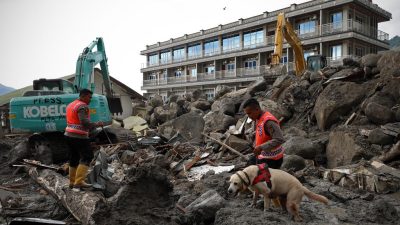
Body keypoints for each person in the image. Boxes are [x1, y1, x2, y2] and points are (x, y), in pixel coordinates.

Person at [64, 89, 103, 190]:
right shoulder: (82, 106)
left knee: (74, 158)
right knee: (87, 156)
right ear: (83, 96)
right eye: (89, 97)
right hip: (79, 136)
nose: (90, 99)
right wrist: (96, 124)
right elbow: (84, 122)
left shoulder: (71, 105)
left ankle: (72, 183)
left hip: (68, 134)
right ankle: (79, 182)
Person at [242, 98, 285, 169]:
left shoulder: (269, 122)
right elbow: (263, 133)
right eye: (247, 114)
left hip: (272, 159)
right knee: (249, 166)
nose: (249, 116)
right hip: (263, 155)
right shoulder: (258, 118)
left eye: (249, 113)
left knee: (254, 175)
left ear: (257, 109)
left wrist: (261, 147)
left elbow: (279, 139)